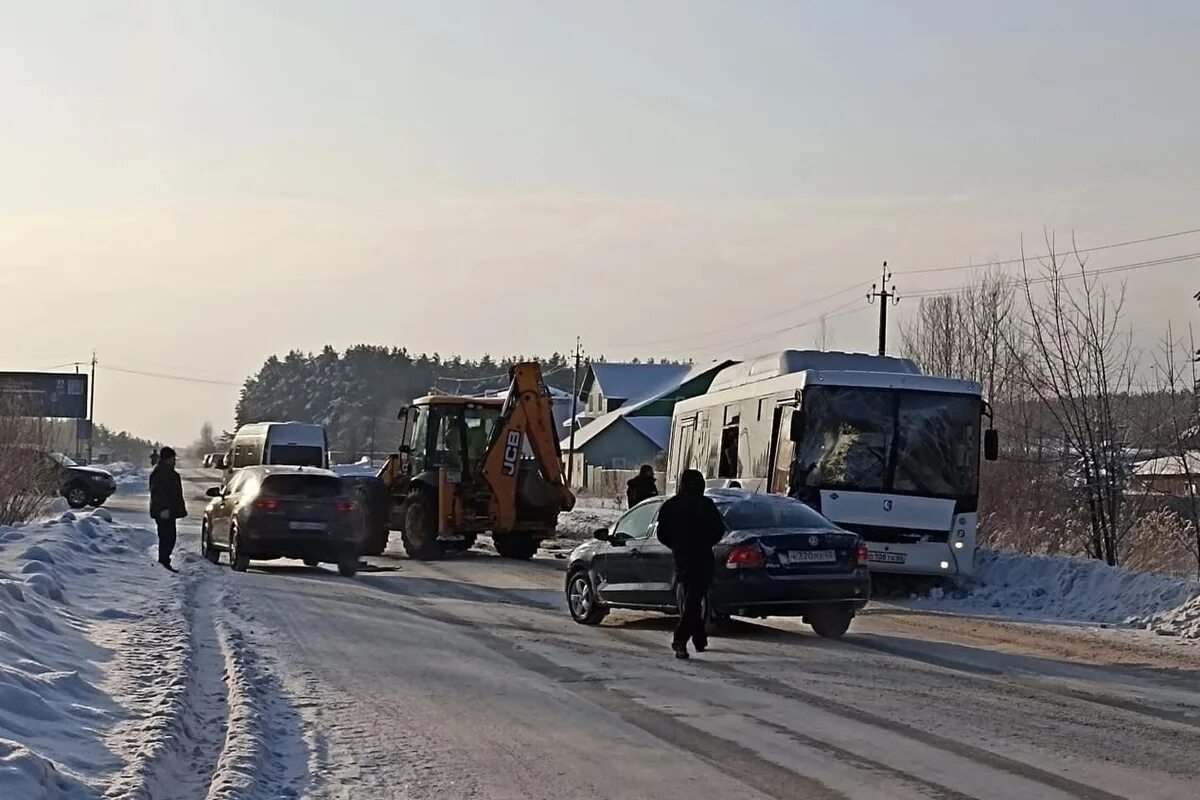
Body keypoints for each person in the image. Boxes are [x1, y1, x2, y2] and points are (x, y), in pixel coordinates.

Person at [656, 469, 726, 659]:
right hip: (703, 557)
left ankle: (698, 637)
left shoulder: (670, 506)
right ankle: (681, 639)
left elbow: (662, 534)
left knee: (691, 598)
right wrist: (704, 543)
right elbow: (719, 530)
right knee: (694, 598)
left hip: (682, 557)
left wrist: (678, 545)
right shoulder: (706, 505)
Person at [149, 446, 187, 571]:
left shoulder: (168, 472)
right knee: (167, 537)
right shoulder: (161, 473)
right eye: (172, 458)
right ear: (167, 459)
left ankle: (164, 560)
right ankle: (164, 561)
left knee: (169, 536)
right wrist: (164, 509)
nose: (174, 461)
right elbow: (159, 493)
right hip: (163, 511)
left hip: (169, 511)